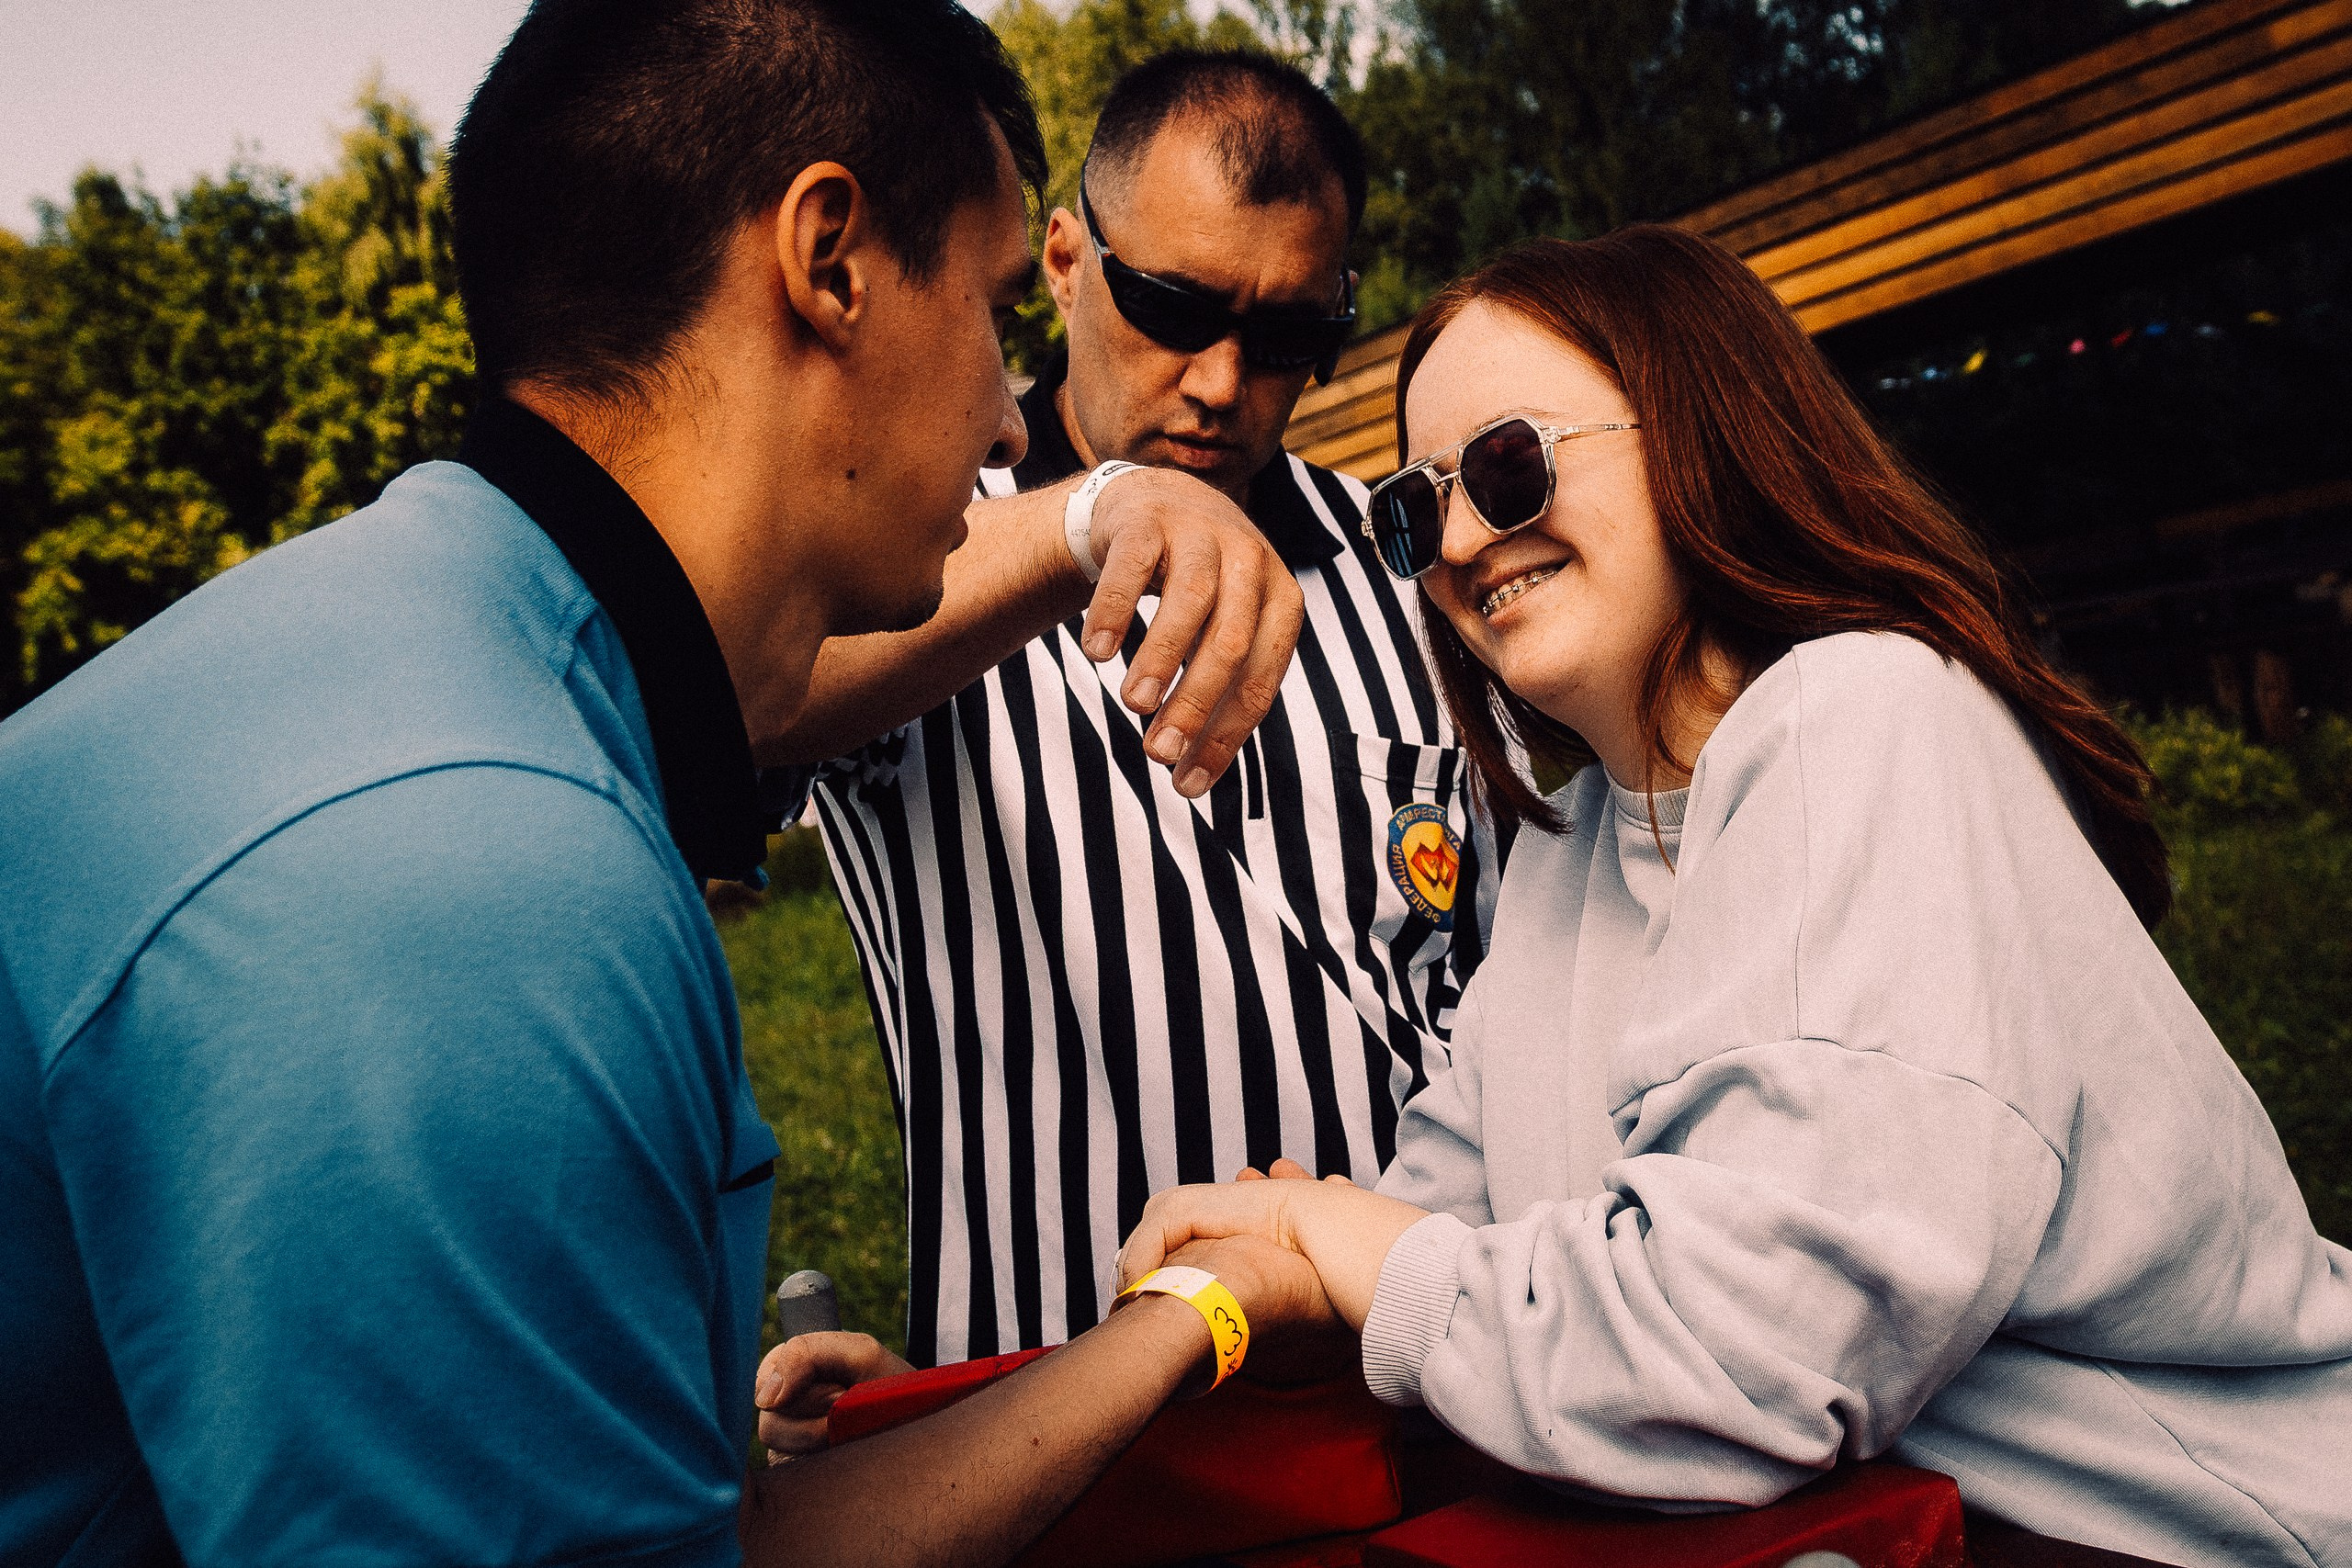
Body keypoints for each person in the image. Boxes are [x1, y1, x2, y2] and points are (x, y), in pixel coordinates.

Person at [0, 5, 1336, 1566]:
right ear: (829, 261)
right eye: (985, 309)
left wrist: (1191, 1317)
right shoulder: (469, 872)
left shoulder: (426, 670)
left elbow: (723, 1539)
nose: (997, 410)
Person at [1116, 226, 2352, 1567]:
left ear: (1701, 435)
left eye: (1509, 467)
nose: (1464, 539)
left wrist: (1345, 1243)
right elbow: (1449, 1235)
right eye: (1416, 511)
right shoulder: (1571, 842)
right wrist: (1293, 1262)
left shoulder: (1859, 714)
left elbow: (1742, 1363)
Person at [765, 50, 1497, 1370]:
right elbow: (756, 685)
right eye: (1173, 307)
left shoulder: (1403, 559)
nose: (1222, 383)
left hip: (1409, 1382)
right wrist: (1090, 518)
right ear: (1061, 261)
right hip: (1047, 1403)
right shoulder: (916, 541)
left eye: (1286, 339)